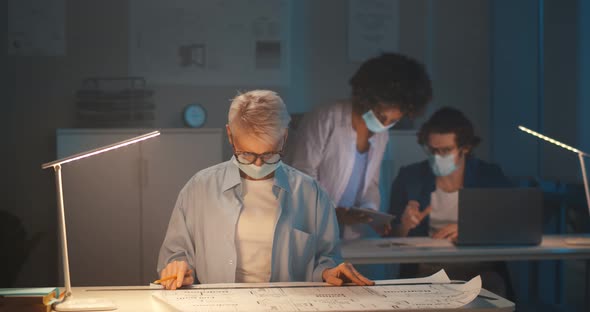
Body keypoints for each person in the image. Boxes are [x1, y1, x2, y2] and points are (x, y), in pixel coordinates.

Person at [157, 90, 373, 290]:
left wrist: (327, 271)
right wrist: (179, 268)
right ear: (230, 136)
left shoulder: (310, 194)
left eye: (269, 154)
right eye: (247, 154)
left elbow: (326, 257)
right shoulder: (199, 189)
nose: (258, 165)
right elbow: (175, 255)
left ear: (285, 137)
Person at [287, 53, 432, 241]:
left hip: (348, 237)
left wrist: (370, 213)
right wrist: (334, 213)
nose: (384, 124)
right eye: (380, 116)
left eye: (393, 120)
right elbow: (301, 176)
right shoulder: (326, 117)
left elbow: (370, 183)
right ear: (366, 99)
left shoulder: (381, 135)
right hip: (307, 231)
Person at [388, 107, 513, 297]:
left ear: (465, 147)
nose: (438, 157)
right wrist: (404, 225)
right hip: (426, 273)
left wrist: (469, 230)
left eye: (446, 151)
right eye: (432, 150)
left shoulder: (488, 176)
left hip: (480, 271)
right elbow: (390, 239)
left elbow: (513, 226)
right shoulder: (410, 178)